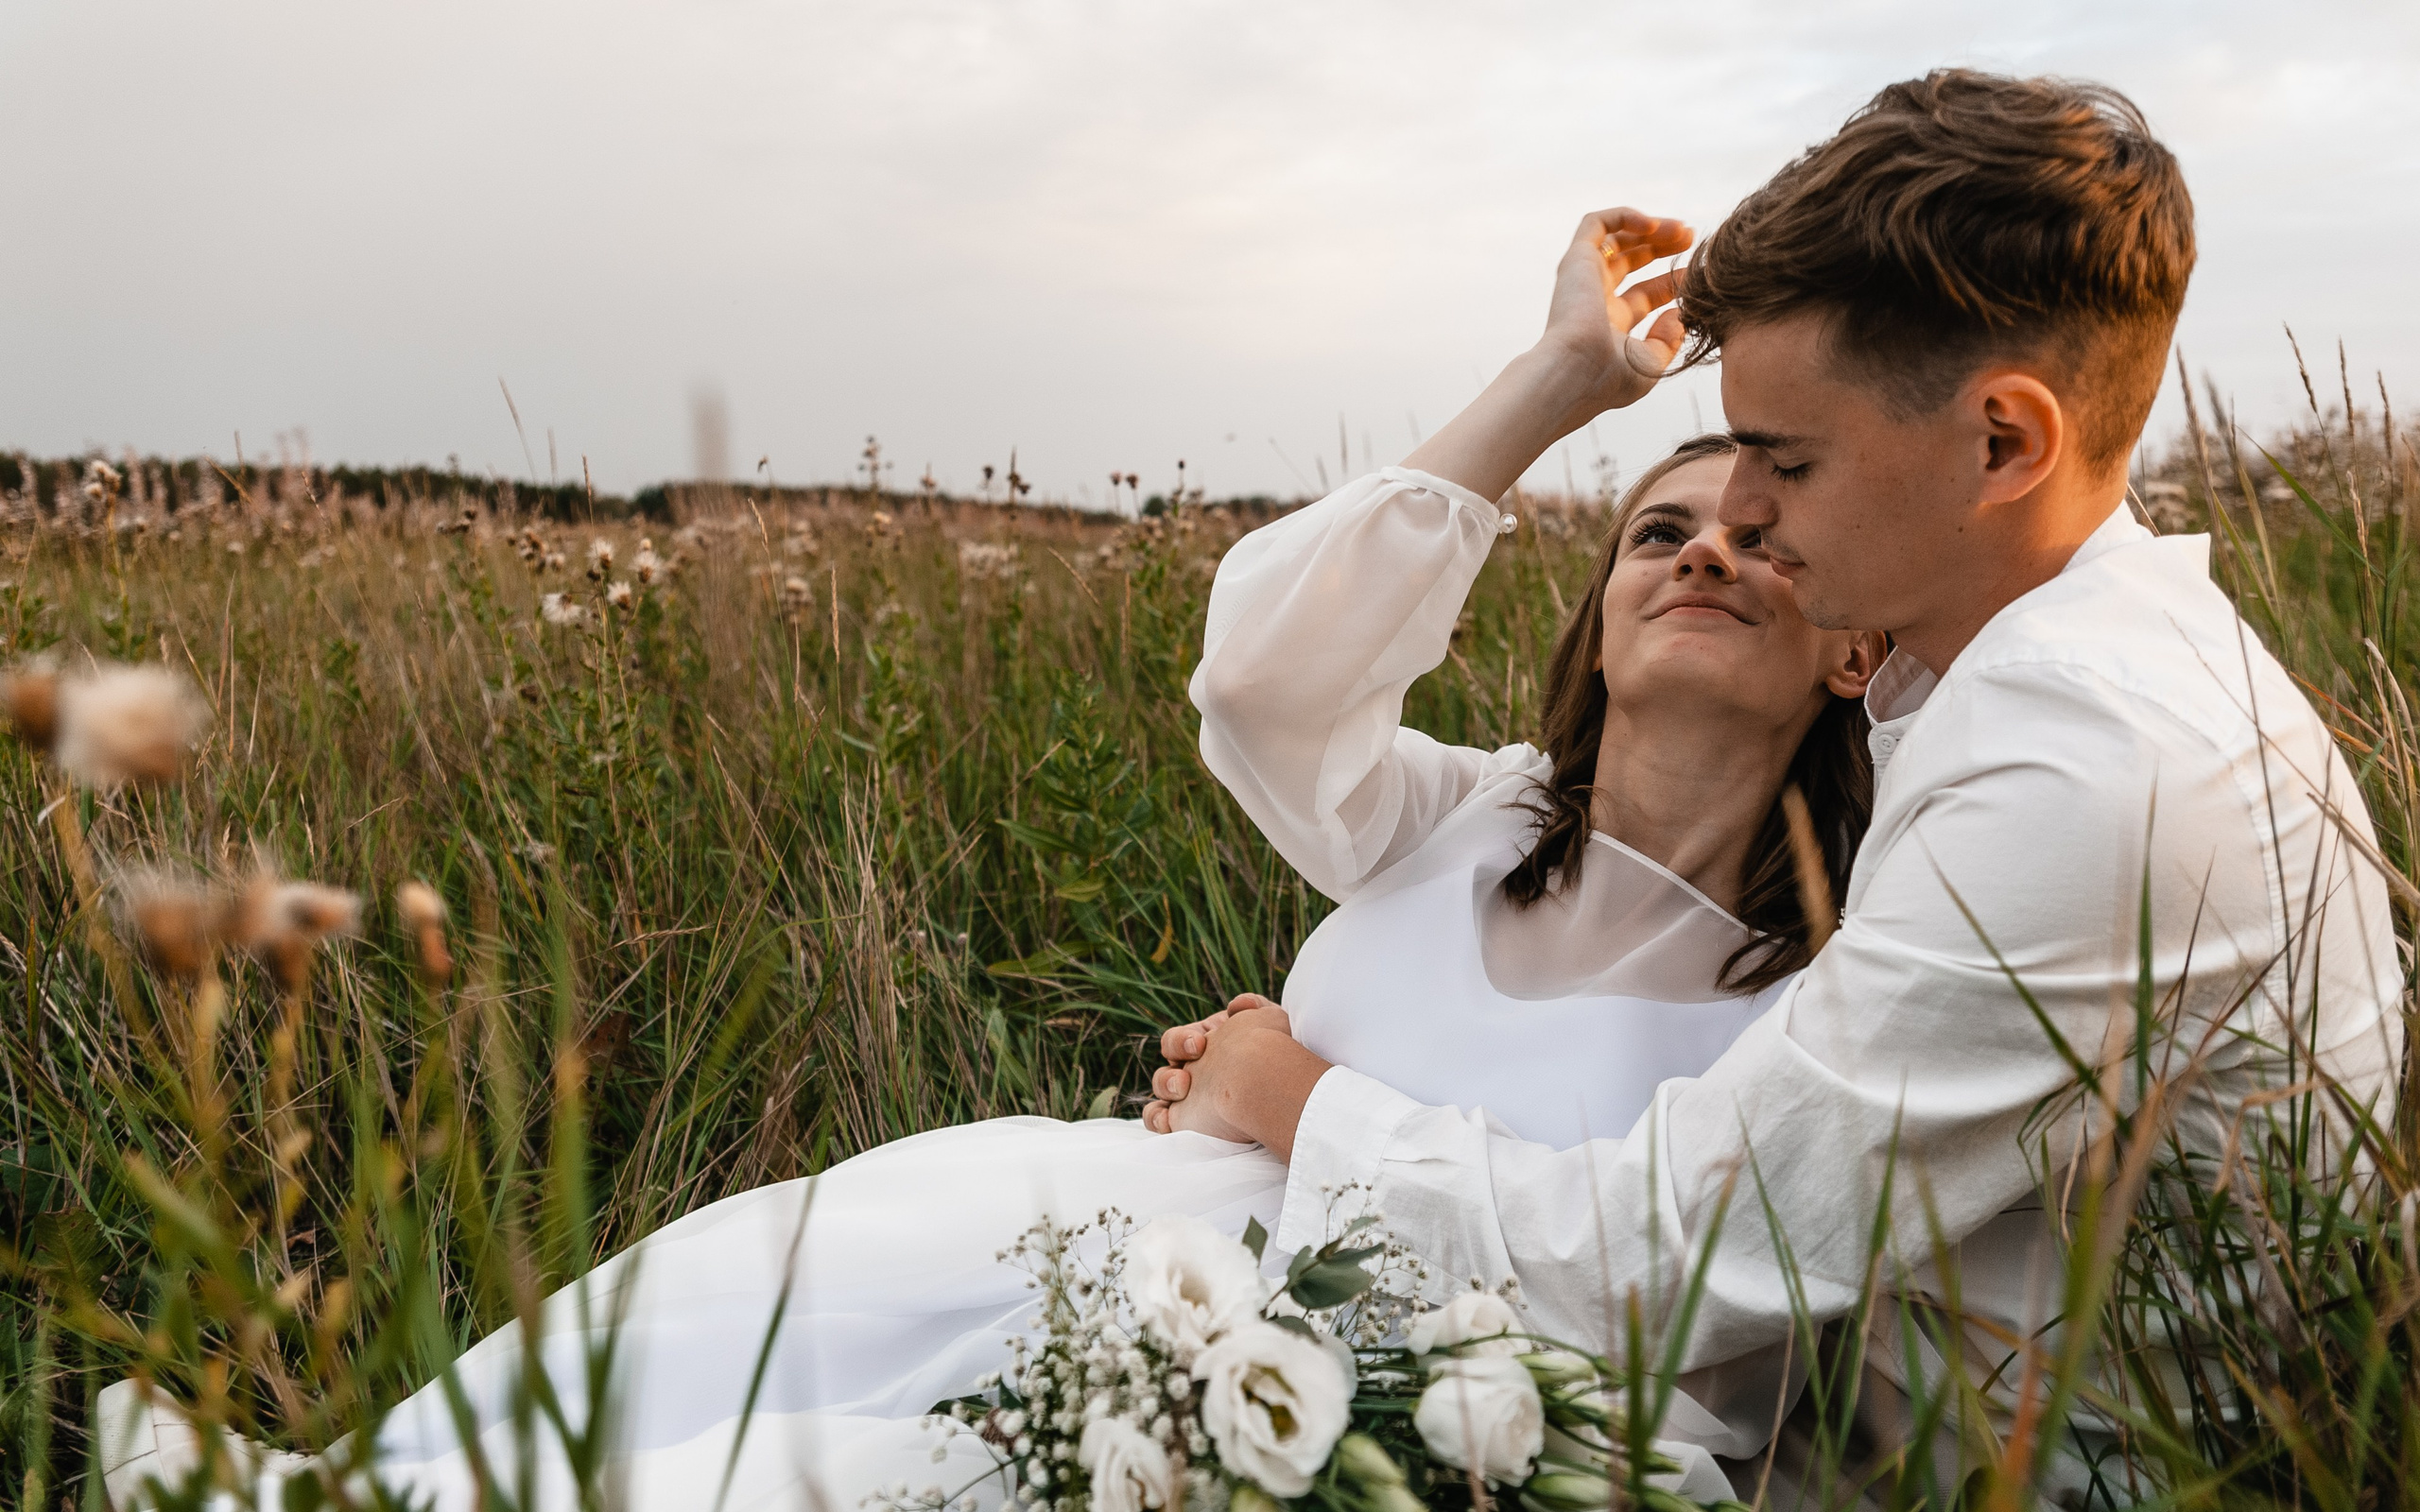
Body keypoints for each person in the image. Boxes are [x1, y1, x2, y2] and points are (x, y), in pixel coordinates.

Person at [98, 263, 1875, 1508]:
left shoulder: (1820, 996)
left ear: (1858, 645)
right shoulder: (1463, 817)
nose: (1708, 546)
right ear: (1598, 608)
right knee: (729, 1326)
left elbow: (1680, 1304)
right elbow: (1265, 681)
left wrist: (1296, 1101)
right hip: (1058, 1230)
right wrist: (1565, 376)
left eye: (1766, 538)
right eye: (1660, 528)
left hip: (1340, 1419)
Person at [1145, 68, 2404, 1503]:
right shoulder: (2014, 677)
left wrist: (1296, 1098)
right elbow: (1263, 694)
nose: (1734, 517)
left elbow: (1670, 1262)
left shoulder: (2085, 767)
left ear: (2004, 444)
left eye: (1785, 460)